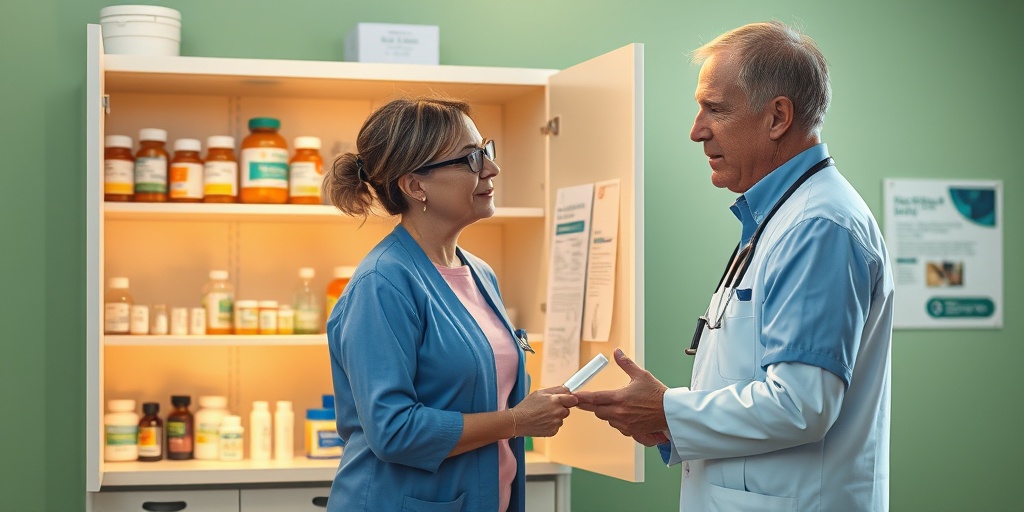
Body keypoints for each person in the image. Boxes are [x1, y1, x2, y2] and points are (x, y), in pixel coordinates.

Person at [575, 21, 894, 511]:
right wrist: (665, 422)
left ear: (777, 117)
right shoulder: (780, 217)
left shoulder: (819, 225)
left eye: (715, 109)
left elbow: (802, 405)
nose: (696, 130)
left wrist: (669, 408)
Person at [322, 97, 577, 512]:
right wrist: (517, 421)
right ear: (415, 185)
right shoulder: (382, 284)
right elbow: (393, 431)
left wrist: (533, 408)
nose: (491, 169)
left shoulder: (479, 273)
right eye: (470, 159)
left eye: (486, 151)